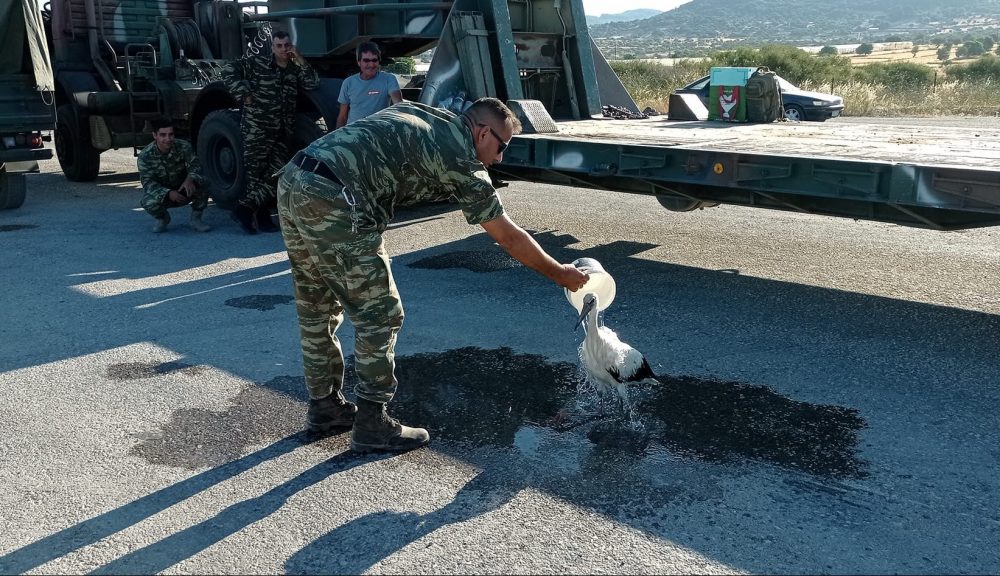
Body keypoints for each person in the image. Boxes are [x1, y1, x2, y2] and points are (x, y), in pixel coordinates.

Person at [276, 97, 590, 453]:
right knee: (380, 315)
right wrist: (560, 273)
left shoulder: (429, 115)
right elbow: (508, 237)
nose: (500, 158)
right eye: (501, 146)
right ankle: (372, 424)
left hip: (295, 178)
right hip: (336, 196)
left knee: (317, 306)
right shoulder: (461, 160)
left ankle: (325, 408)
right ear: (482, 133)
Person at [222, 30, 319, 234]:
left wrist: (300, 59)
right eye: (279, 46)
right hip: (257, 128)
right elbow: (228, 70)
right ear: (272, 47)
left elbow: (311, 82)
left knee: (277, 172)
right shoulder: (257, 63)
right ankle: (261, 218)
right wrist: (243, 93)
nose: (283, 49)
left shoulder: (295, 68)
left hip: (283, 130)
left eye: (286, 45)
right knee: (255, 174)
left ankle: (244, 209)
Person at [137, 116, 211, 233]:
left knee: (204, 181)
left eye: (171, 134)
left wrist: (190, 179)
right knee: (147, 202)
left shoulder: (183, 146)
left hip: (185, 189)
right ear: (155, 135)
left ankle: (196, 219)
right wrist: (168, 193)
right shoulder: (145, 156)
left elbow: (195, 165)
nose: (168, 139)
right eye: (163, 135)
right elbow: (148, 183)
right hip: (164, 194)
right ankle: (163, 219)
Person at [335, 42, 402, 129]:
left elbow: (398, 104)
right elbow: (342, 116)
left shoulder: (389, 79)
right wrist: (337, 136)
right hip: (354, 132)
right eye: (366, 60)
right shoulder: (348, 83)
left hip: (378, 131)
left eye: (374, 60)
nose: (371, 65)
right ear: (359, 62)